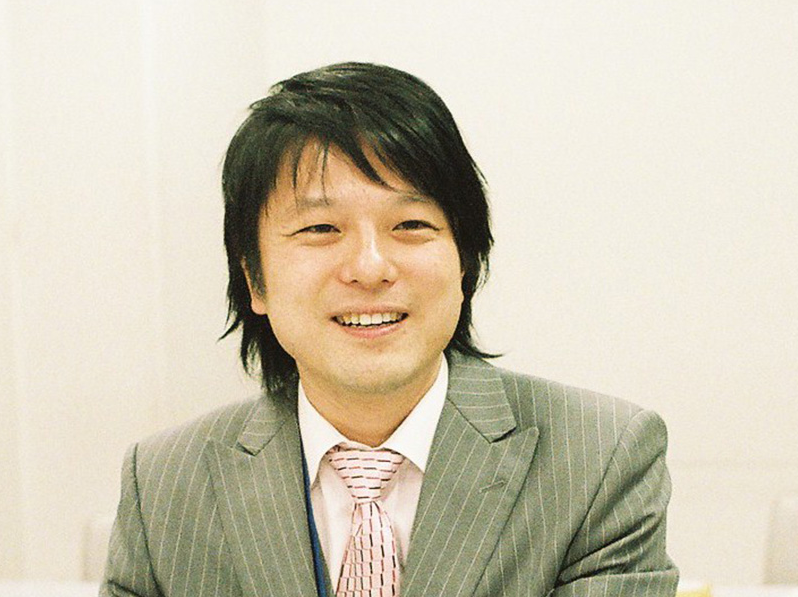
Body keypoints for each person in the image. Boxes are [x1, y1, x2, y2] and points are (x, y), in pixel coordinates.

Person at [101, 62, 678, 597]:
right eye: (321, 229)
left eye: (410, 224)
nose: (370, 267)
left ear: (465, 262)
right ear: (255, 279)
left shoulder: (599, 457)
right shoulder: (164, 484)